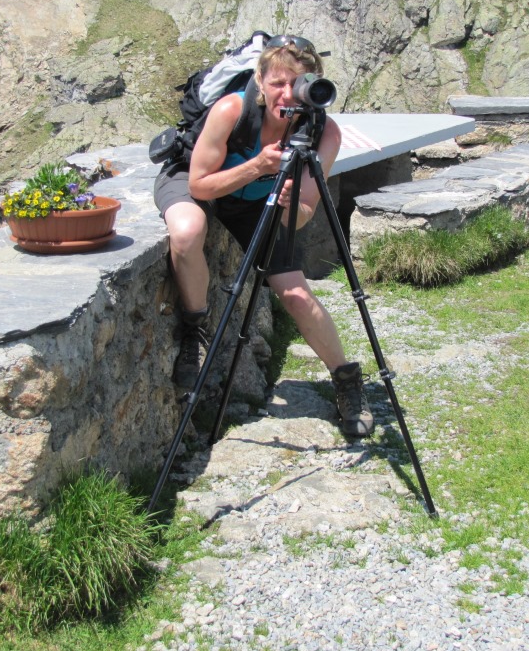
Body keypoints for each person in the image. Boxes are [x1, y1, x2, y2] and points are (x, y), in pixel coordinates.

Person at [153, 34, 374, 437]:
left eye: (298, 83)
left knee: (295, 293)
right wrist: (257, 166)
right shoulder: (230, 110)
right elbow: (199, 184)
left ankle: (346, 380)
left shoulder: (323, 133)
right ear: (260, 80)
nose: (287, 94)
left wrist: (290, 204)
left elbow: (305, 212)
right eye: (278, 83)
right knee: (187, 232)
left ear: (313, 86)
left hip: (259, 200)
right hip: (197, 177)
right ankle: (195, 329)